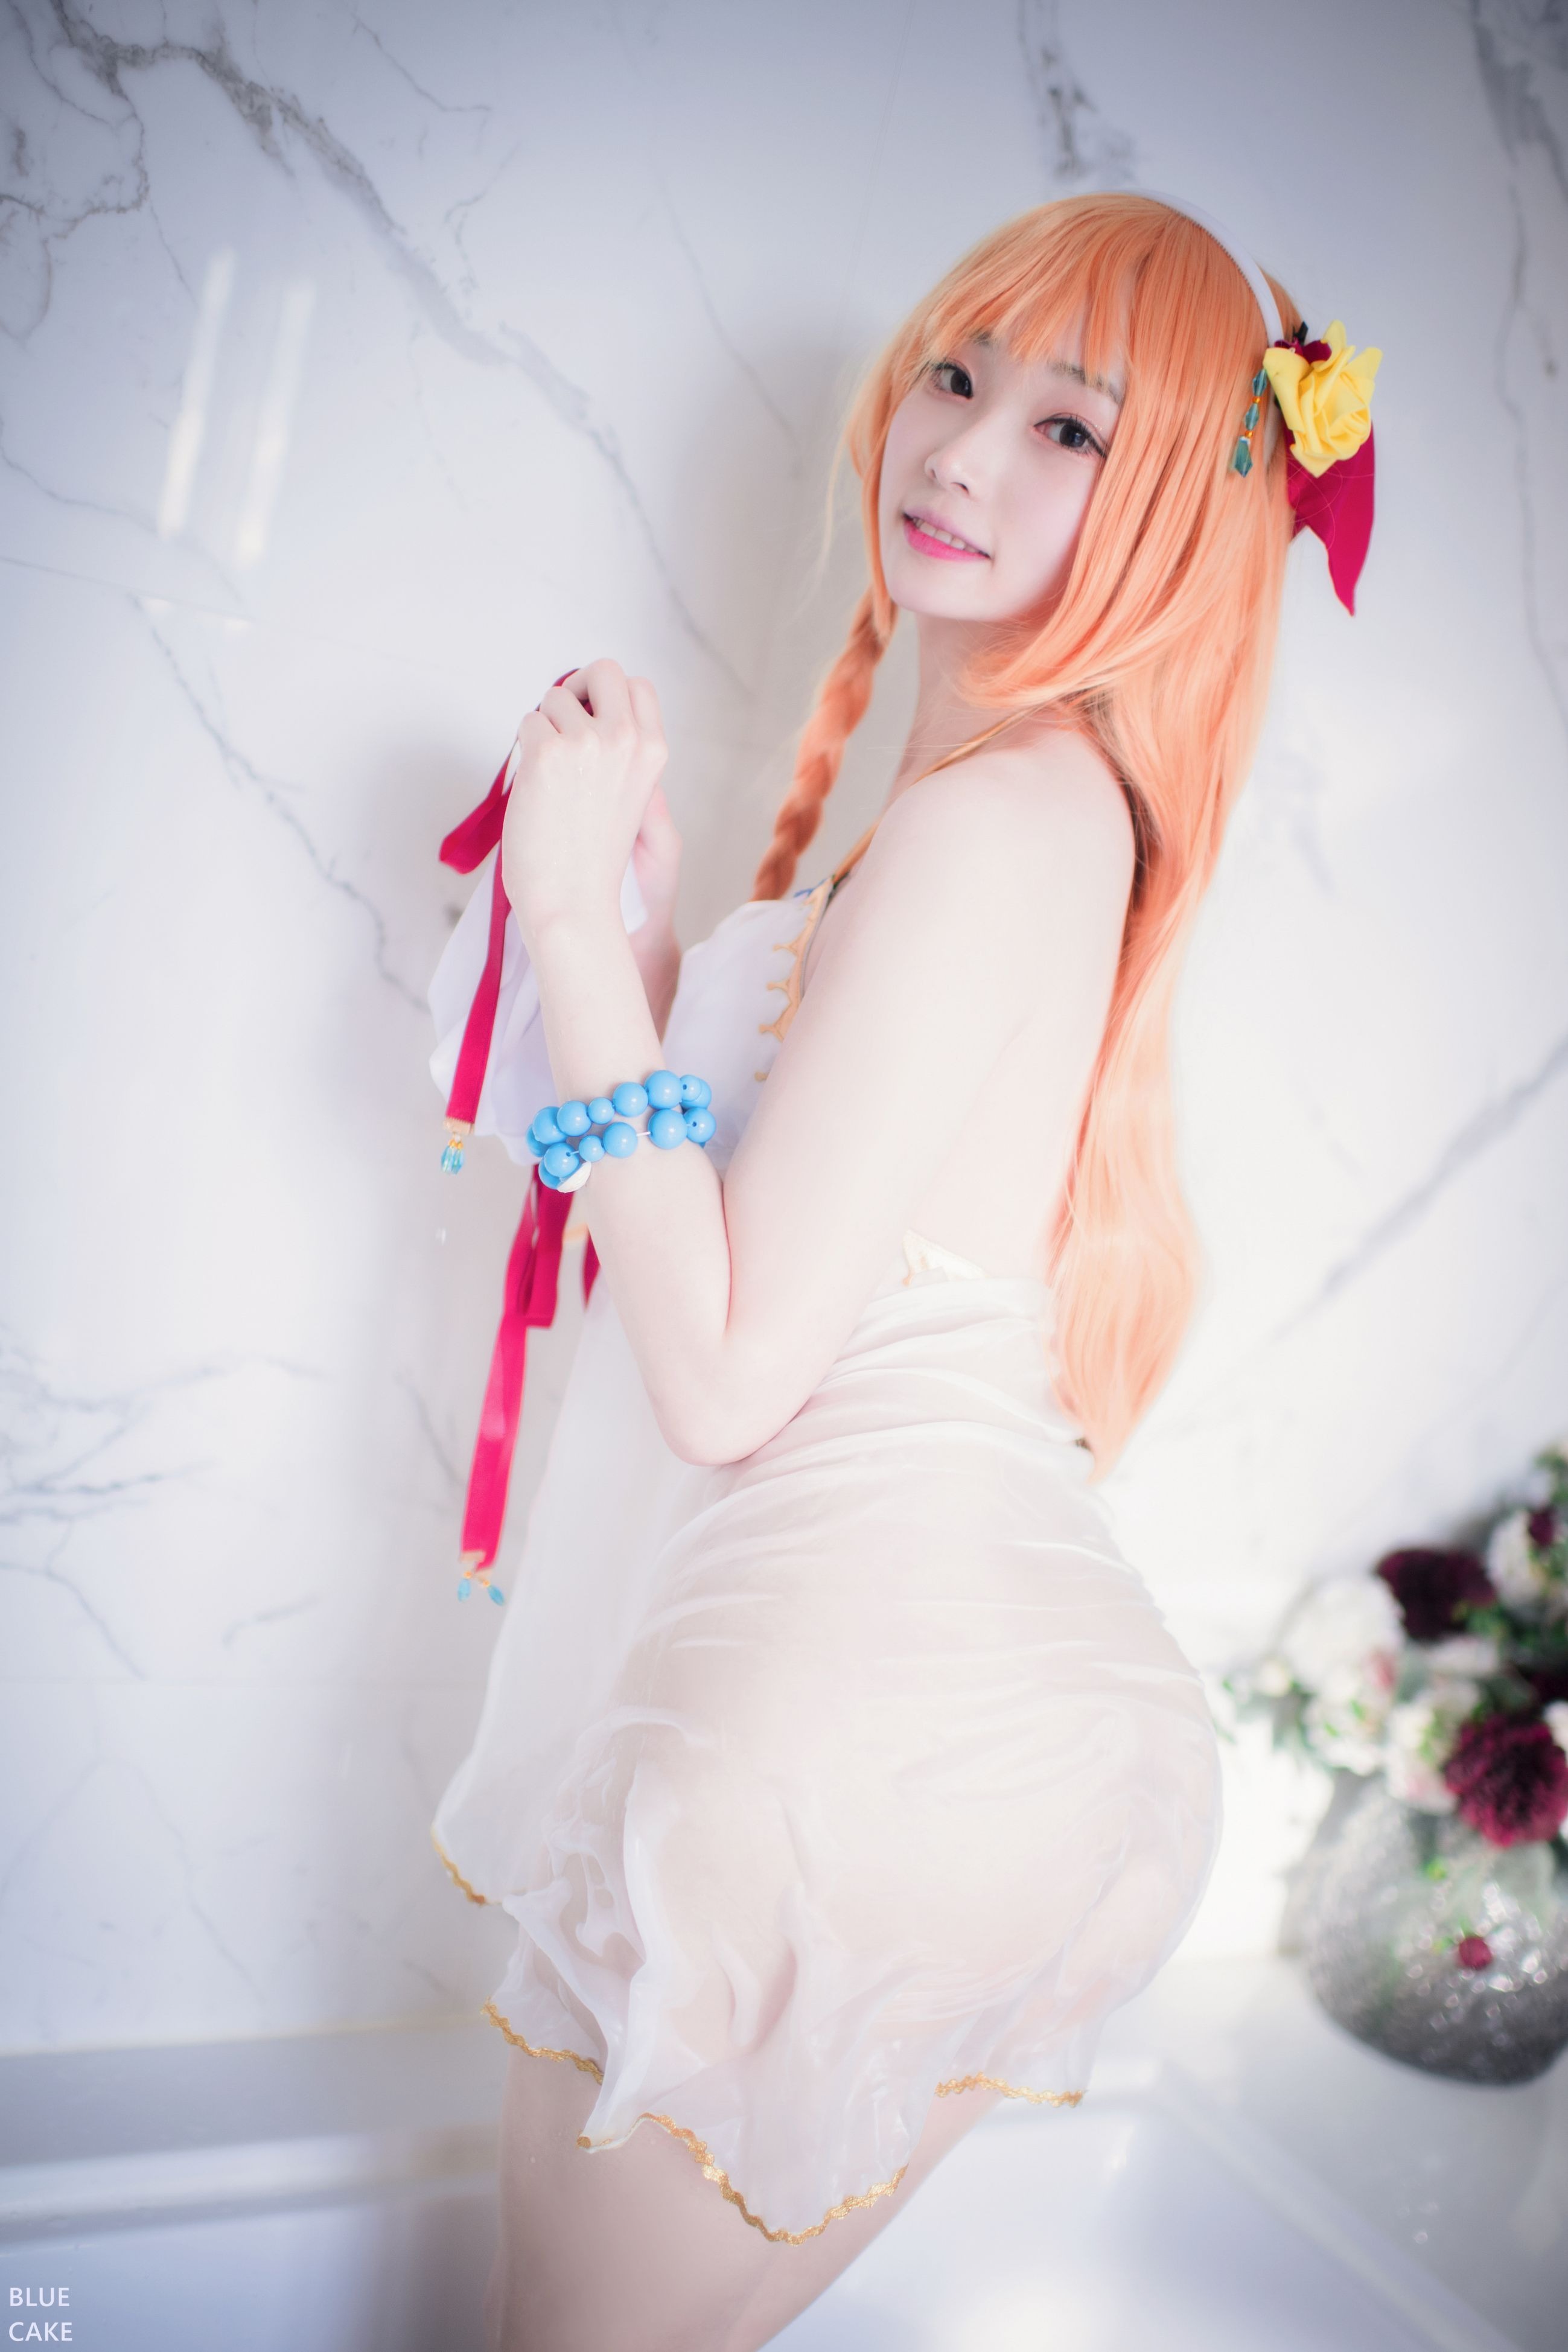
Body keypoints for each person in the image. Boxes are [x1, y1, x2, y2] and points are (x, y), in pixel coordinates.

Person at [426, 191, 1378, 2351]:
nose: (959, 450)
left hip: (833, 1730)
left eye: (1070, 426)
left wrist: (565, 921)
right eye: (958, 373)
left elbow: (727, 1375)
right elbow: (811, 1224)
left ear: (1177, 505)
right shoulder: (1044, 814)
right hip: (985, 1733)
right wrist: (650, 947)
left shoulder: (996, 818)